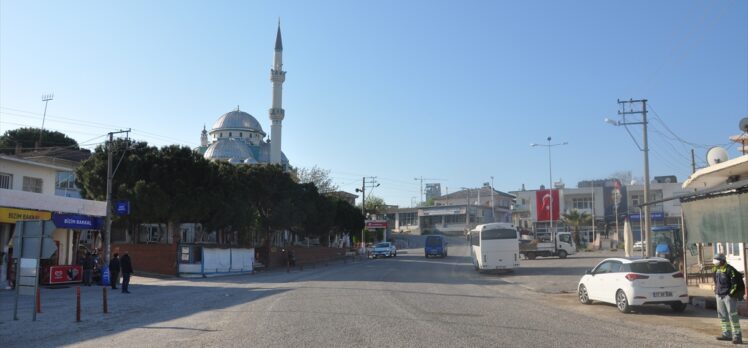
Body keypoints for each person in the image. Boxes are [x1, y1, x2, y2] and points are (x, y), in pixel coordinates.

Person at [713, 253, 743, 344]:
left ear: (722, 260)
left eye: (716, 259)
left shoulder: (730, 270)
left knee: (733, 316)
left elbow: (735, 284)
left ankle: (737, 336)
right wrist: (716, 291)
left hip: (728, 296)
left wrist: (730, 294)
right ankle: (727, 334)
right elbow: (715, 281)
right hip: (719, 295)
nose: (715, 261)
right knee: (722, 316)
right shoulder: (716, 269)